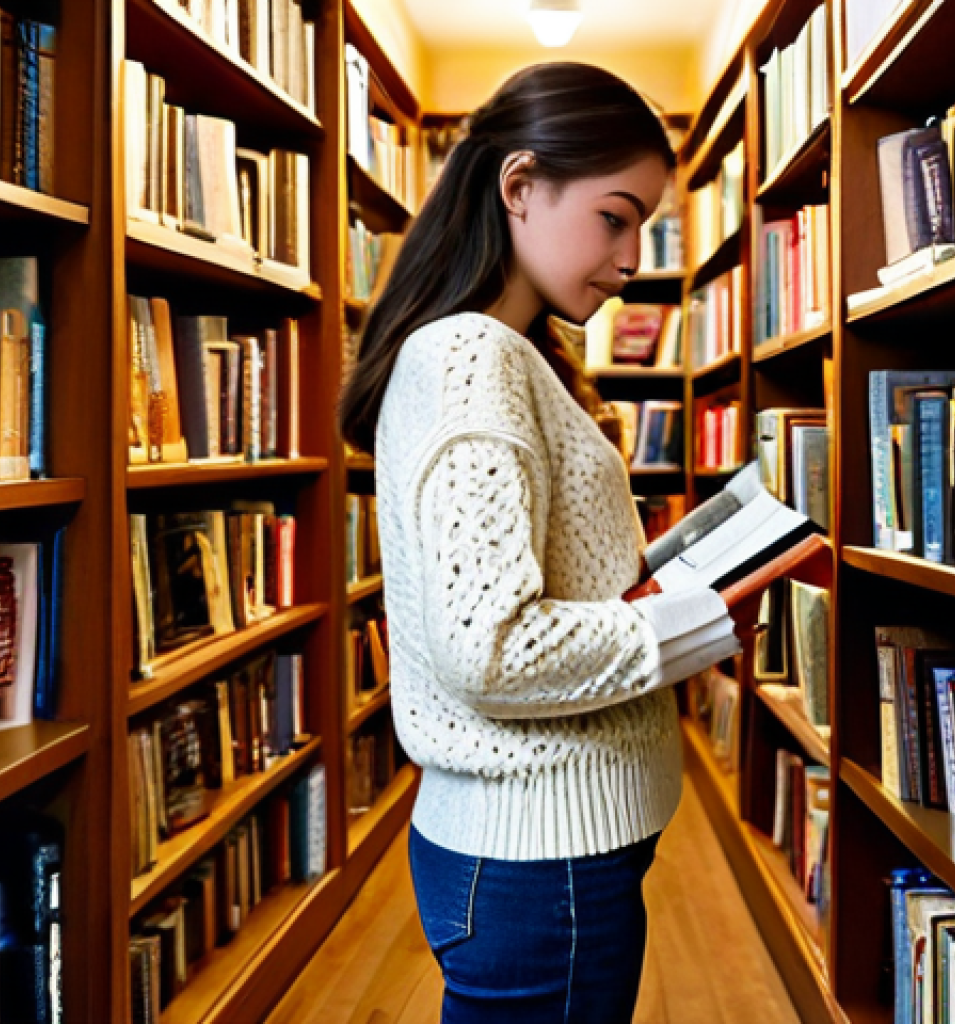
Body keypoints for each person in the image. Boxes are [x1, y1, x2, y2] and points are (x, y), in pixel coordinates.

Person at [340, 62, 743, 1024]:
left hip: (545, 854)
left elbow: (564, 577)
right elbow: (492, 649)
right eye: (616, 215)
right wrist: (705, 619)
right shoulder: (471, 356)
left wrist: (675, 574)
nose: (634, 252)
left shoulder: (505, 355)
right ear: (519, 186)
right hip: (537, 861)